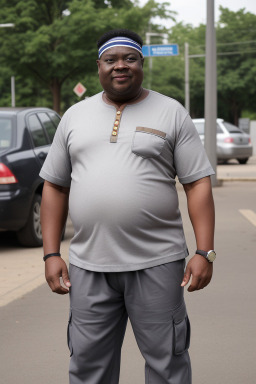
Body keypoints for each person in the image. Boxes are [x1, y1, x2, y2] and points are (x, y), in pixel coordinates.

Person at [40, 29, 215, 384]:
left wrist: (205, 251)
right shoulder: (74, 116)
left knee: (168, 363)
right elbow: (55, 186)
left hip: (158, 262)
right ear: (99, 67)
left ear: (141, 63)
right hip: (89, 266)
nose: (121, 66)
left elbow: (197, 182)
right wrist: (50, 254)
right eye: (111, 60)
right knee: (89, 367)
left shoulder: (171, 112)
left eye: (129, 58)